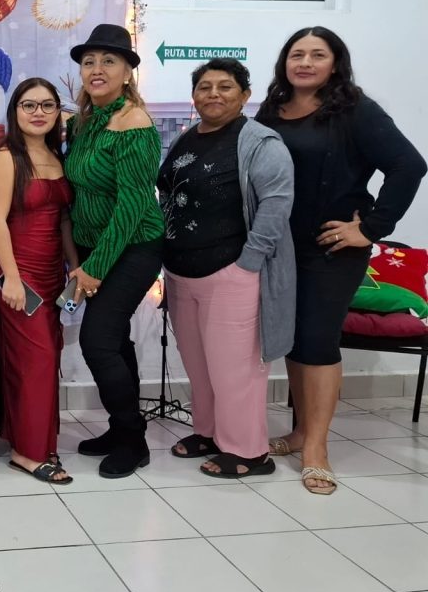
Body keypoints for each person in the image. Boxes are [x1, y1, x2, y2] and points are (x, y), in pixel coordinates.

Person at [256, 27, 426, 494]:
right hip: (280, 246)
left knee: (318, 341)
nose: (305, 63)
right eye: (297, 54)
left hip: (332, 248)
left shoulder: (354, 110)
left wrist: (370, 228)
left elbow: (410, 165)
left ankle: (317, 448)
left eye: (317, 54)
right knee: (293, 340)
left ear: (336, 63)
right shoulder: (273, 109)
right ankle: (298, 432)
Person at [158, 58, 295, 478]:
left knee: (236, 369)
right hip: (181, 272)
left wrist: (248, 263)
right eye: (204, 87)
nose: (213, 94)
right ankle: (209, 432)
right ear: (194, 95)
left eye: (225, 86)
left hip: (232, 272)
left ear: (245, 95)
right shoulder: (188, 137)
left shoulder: (261, 142)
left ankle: (249, 452)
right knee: (200, 365)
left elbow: (276, 205)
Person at [66, 23, 164, 479]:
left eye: (109, 61)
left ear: (127, 72)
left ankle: (133, 440)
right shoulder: (82, 123)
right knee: (115, 340)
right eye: (89, 62)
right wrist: (80, 258)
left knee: (98, 341)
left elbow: (132, 205)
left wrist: (94, 269)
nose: (97, 69)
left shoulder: (134, 123)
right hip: (95, 248)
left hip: (134, 247)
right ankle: (123, 429)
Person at [0, 77, 76, 485]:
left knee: (45, 358)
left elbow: (63, 220)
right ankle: (27, 452)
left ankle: (36, 440)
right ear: (15, 111)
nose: (38, 112)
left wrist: (74, 267)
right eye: (29, 105)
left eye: (47, 105)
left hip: (53, 273)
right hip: (18, 273)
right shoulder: (6, 158)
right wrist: (11, 278)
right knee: (35, 360)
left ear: (57, 112)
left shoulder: (57, 156)